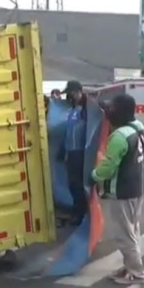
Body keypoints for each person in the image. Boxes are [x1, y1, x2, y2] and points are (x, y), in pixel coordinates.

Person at [91, 93, 144, 286]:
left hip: (122, 191)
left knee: (125, 235)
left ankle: (136, 272)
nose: (109, 112)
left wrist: (94, 176)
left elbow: (108, 167)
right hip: (137, 188)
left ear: (121, 111)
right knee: (133, 230)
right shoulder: (137, 127)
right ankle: (130, 266)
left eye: (112, 108)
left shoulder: (119, 136)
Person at [59, 80, 89, 225]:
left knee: (78, 184)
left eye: (71, 93)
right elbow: (68, 133)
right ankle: (77, 210)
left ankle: (81, 213)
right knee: (72, 184)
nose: (69, 96)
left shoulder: (86, 109)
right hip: (71, 152)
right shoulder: (72, 110)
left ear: (78, 92)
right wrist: (65, 152)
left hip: (80, 152)